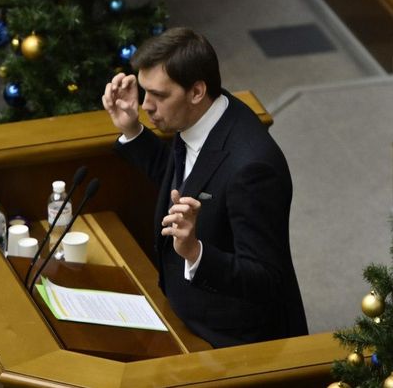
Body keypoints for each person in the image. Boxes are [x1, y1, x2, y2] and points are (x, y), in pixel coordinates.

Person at [101, 27, 307, 347]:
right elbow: (183, 178)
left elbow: (266, 278)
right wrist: (132, 130)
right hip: (189, 313)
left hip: (234, 341)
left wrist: (196, 253)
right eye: (144, 91)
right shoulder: (202, 115)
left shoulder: (252, 168)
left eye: (159, 95)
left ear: (196, 91)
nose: (146, 105)